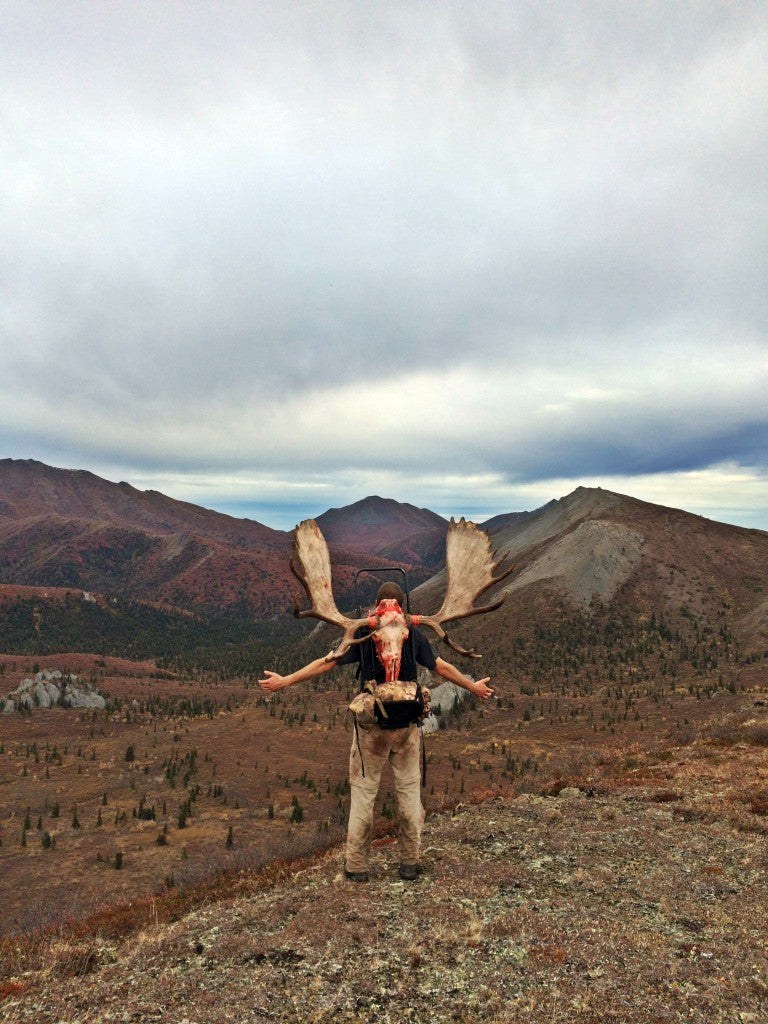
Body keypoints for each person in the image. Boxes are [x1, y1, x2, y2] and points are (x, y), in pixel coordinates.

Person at [258, 582, 494, 882]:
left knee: (363, 797)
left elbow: (326, 663)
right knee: (409, 795)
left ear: (375, 604)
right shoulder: (414, 634)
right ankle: (409, 863)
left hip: (370, 731)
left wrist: (286, 681)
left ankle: (356, 867)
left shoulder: (363, 633)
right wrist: (472, 686)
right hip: (407, 729)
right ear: (402, 603)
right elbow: (441, 667)